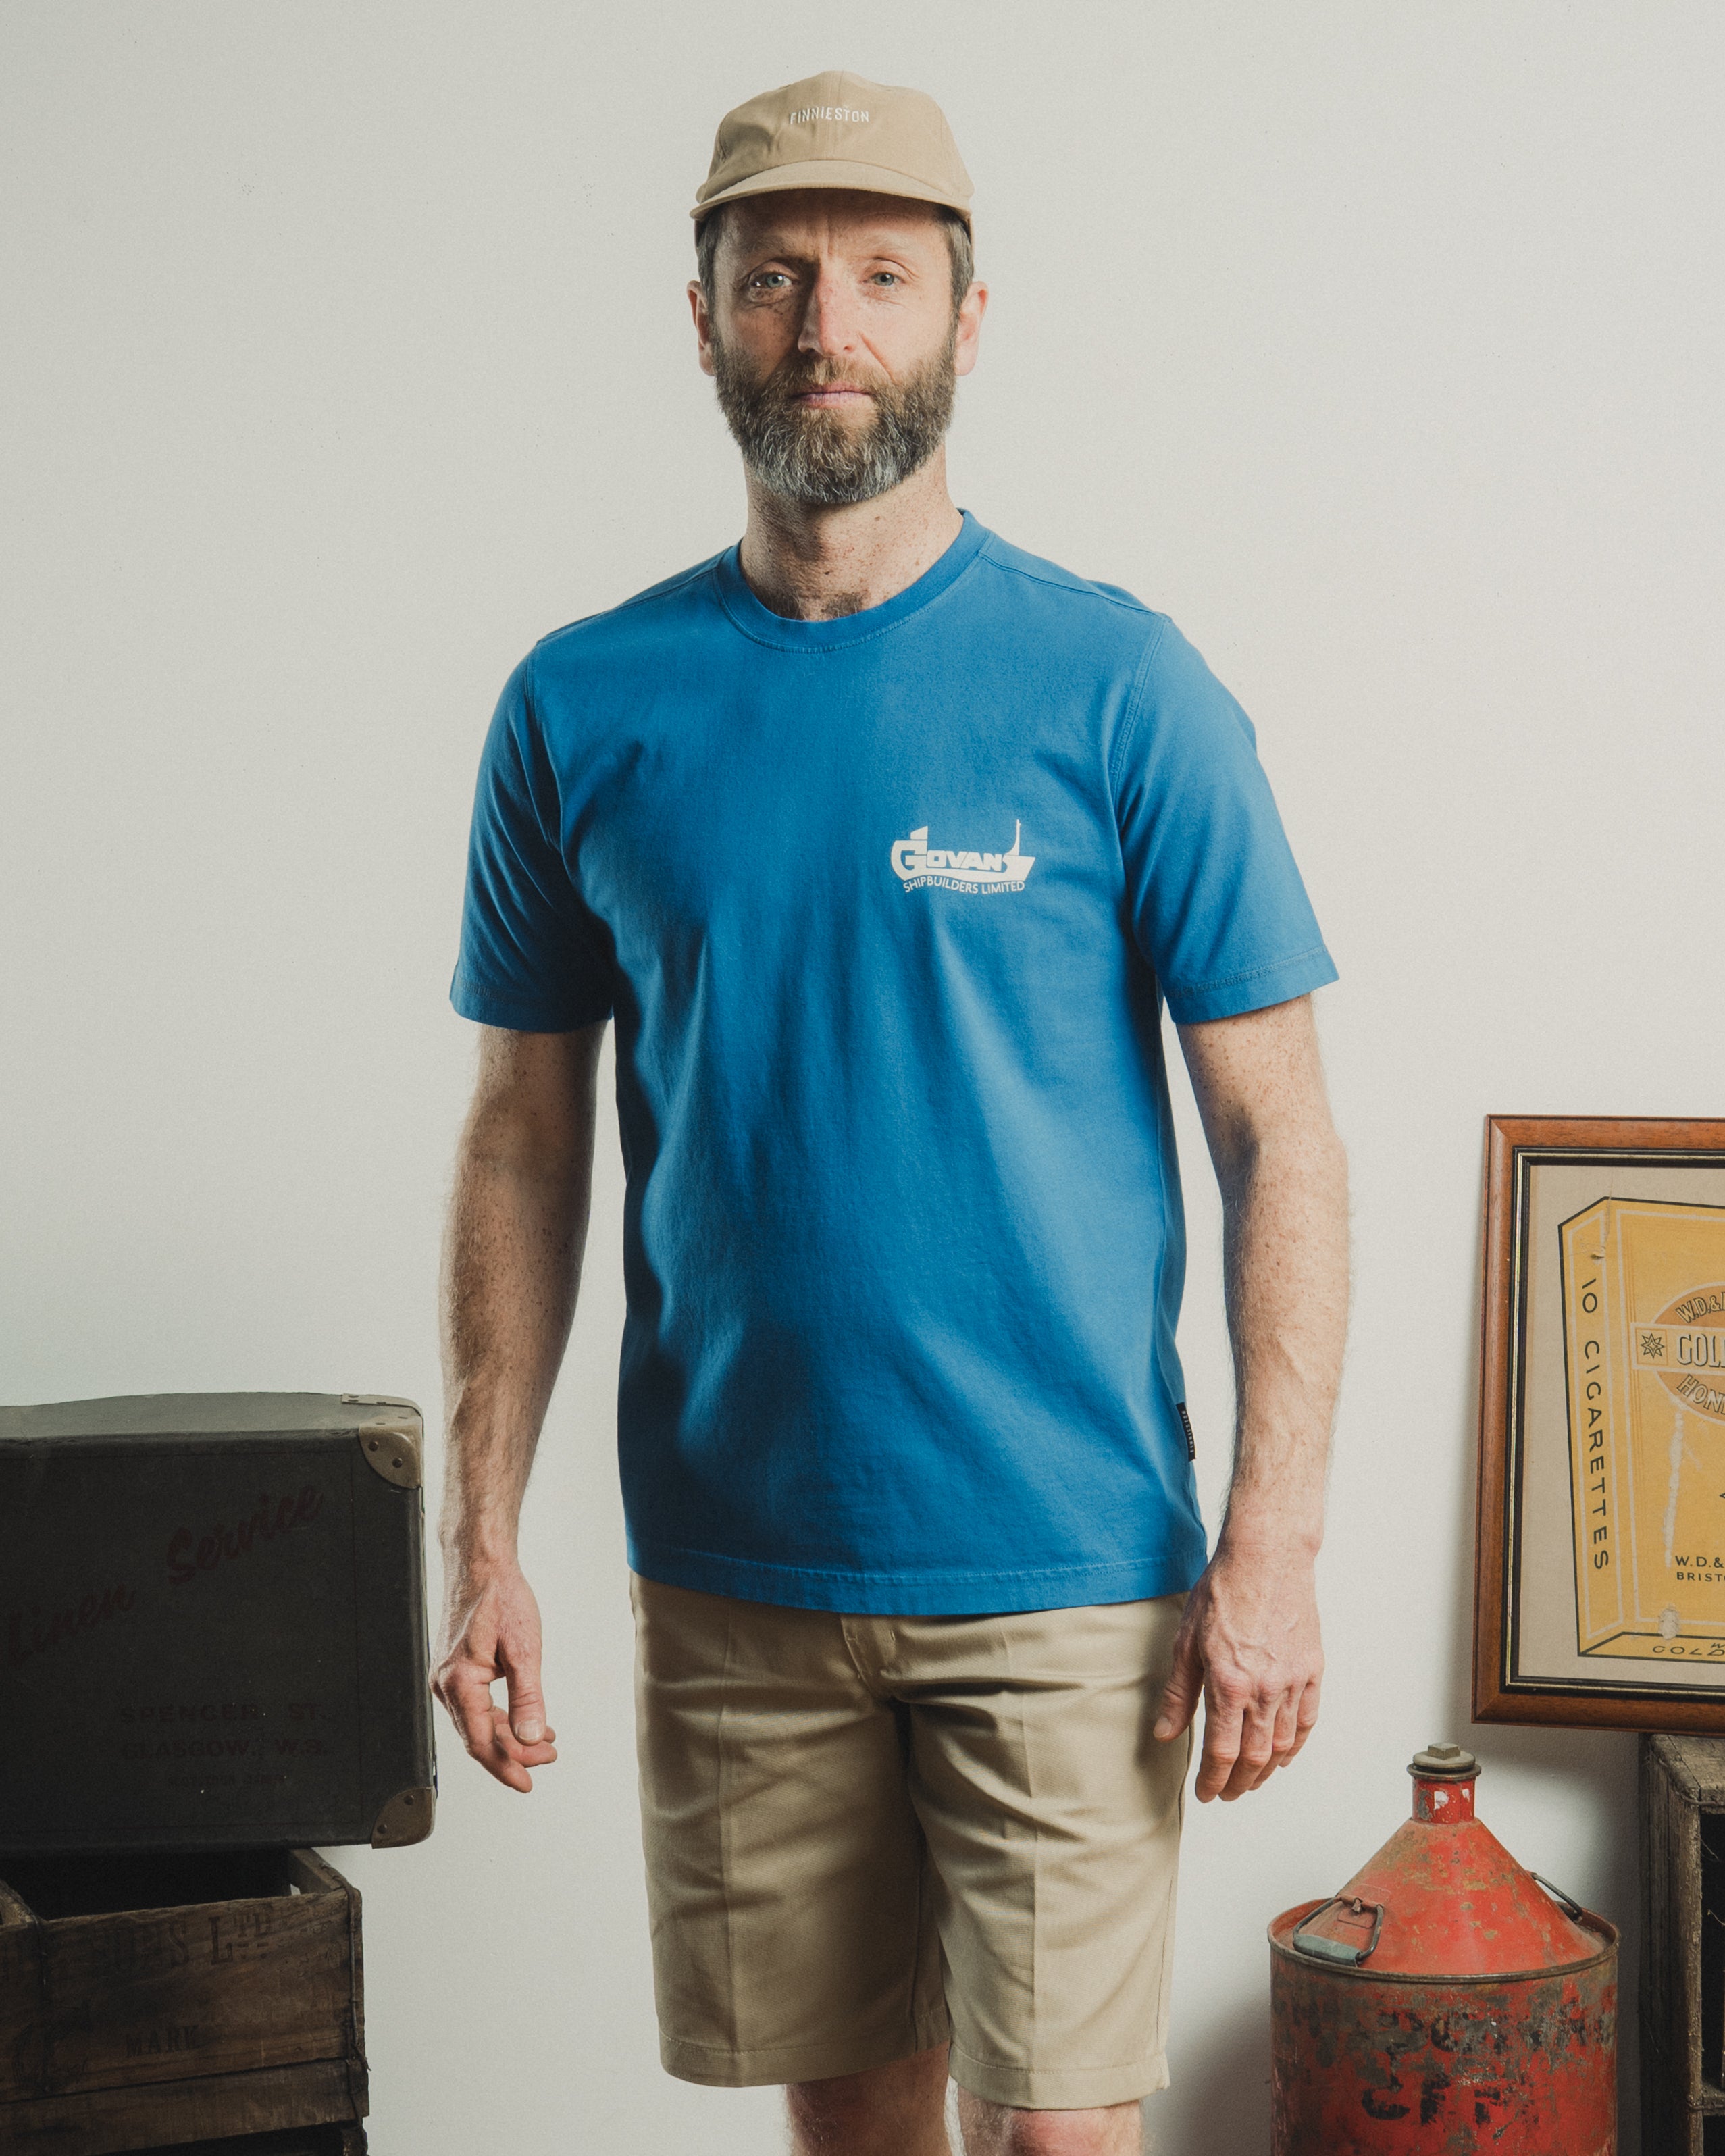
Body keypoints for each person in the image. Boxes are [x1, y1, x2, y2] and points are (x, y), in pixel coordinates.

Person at [434, 68, 1349, 2156]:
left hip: (1062, 1568)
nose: (823, 328)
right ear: (701, 319)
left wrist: (1269, 1549)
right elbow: (518, 1139)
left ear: (963, 314)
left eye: (874, 277)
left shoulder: (1117, 689)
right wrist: (477, 1537)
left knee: (1056, 2137)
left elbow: (1280, 1133)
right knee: (852, 2133)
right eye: (772, 280)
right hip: (738, 1570)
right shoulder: (579, 705)